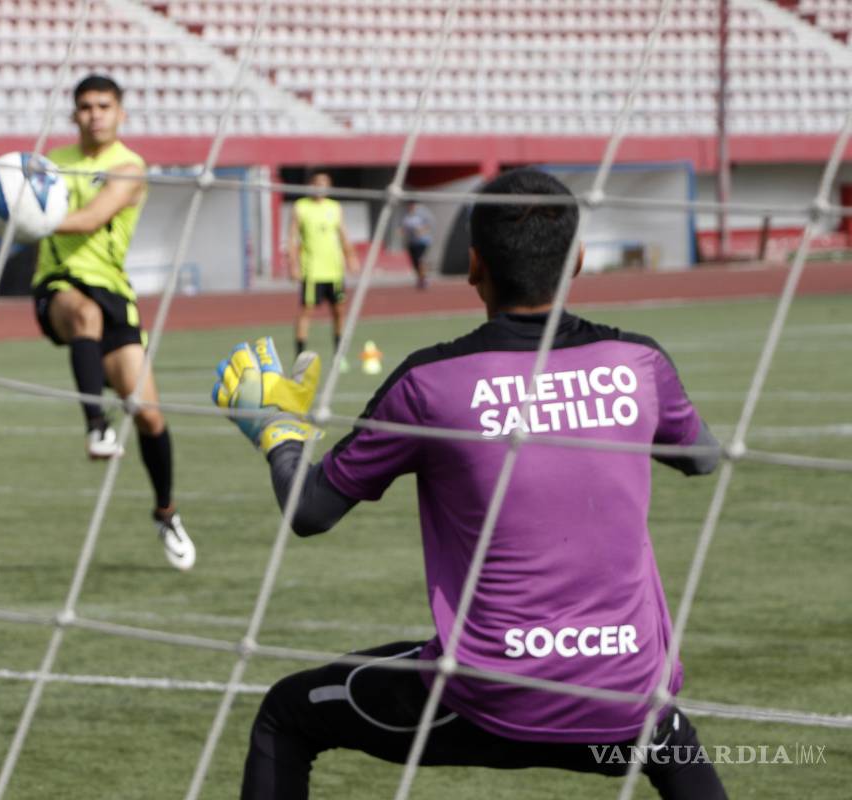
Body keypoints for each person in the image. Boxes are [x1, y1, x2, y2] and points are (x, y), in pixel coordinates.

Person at [214, 168, 727, 798]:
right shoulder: (639, 364)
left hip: (483, 694)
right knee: (671, 740)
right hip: (621, 695)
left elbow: (311, 509)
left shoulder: (431, 383)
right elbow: (703, 457)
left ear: (474, 264)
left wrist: (278, 430)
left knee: (286, 714)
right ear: (579, 261)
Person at [33, 74, 194, 571]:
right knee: (80, 314)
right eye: (85, 106)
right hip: (58, 284)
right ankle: (96, 426)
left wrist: (23, 215)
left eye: (104, 105)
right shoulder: (48, 164)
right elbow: (10, 193)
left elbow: (89, 218)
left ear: (121, 113)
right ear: (73, 113)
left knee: (148, 415)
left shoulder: (130, 167)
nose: (94, 114)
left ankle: (166, 513)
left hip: (115, 294)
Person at [288, 171, 360, 372]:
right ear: (310, 185)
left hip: (334, 271)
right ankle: (300, 357)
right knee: (306, 312)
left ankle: (339, 356)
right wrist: (292, 263)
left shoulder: (334, 208)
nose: (320, 187)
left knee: (339, 311)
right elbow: (292, 237)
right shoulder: (300, 207)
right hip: (312, 271)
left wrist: (351, 256)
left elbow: (343, 234)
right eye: (317, 183)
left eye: (324, 183)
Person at [398, 199, 435, 289]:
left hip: (422, 241)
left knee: (419, 260)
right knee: (414, 262)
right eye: (409, 205)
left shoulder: (422, 213)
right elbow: (403, 227)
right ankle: (420, 278)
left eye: (412, 205)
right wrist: (401, 231)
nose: (410, 207)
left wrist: (422, 230)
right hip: (411, 242)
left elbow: (430, 223)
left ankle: (424, 279)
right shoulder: (406, 216)